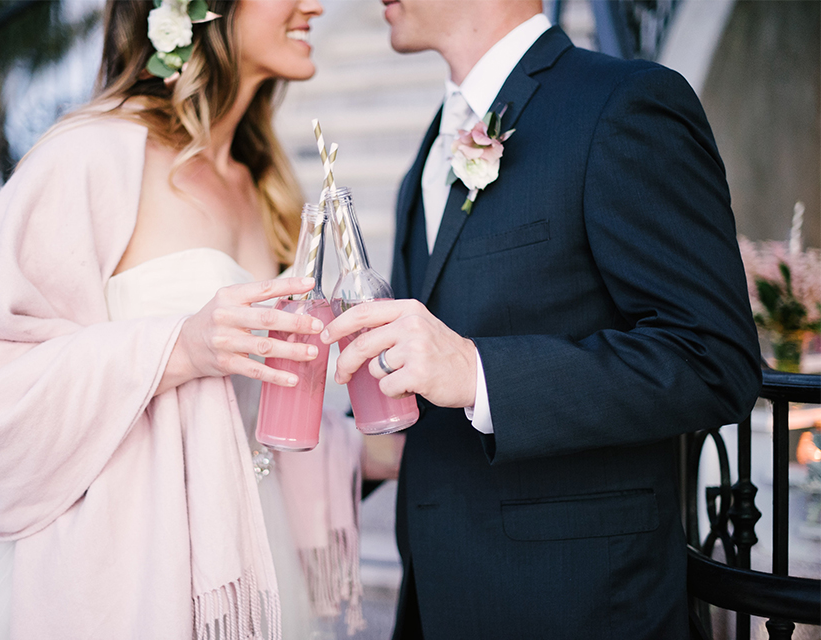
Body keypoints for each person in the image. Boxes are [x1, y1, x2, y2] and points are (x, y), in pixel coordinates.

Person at [0, 0, 366, 638]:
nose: (316, 5)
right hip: (118, 559)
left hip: (241, 546)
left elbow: (256, 419)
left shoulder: (266, 184)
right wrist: (183, 346)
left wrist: (373, 450)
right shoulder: (94, 152)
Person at [320, 1, 763, 638]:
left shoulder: (623, 104)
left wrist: (478, 372)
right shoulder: (429, 152)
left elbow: (712, 359)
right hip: (437, 600)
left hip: (576, 605)